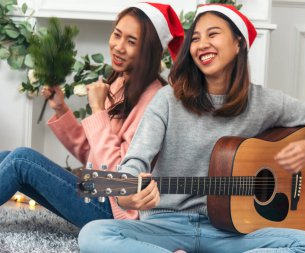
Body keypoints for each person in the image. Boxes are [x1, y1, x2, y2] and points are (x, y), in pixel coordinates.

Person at [78, 4, 305, 253]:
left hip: (232, 232)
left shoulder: (264, 102)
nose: (201, 44)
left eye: (212, 35)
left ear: (239, 42)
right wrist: (127, 198)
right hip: (166, 226)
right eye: (195, 38)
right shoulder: (168, 100)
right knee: (92, 235)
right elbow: (135, 161)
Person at [0, 2, 184, 228]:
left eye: (131, 42)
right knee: (6, 156)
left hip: (116, 210)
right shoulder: (120, 82)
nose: (118, 47)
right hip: (95, 189)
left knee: (21, 160)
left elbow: (119, 180)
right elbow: (91, 152)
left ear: (152, 50)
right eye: (117, 35)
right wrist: (61, 109)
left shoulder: (155, 102)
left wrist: (98, 110)